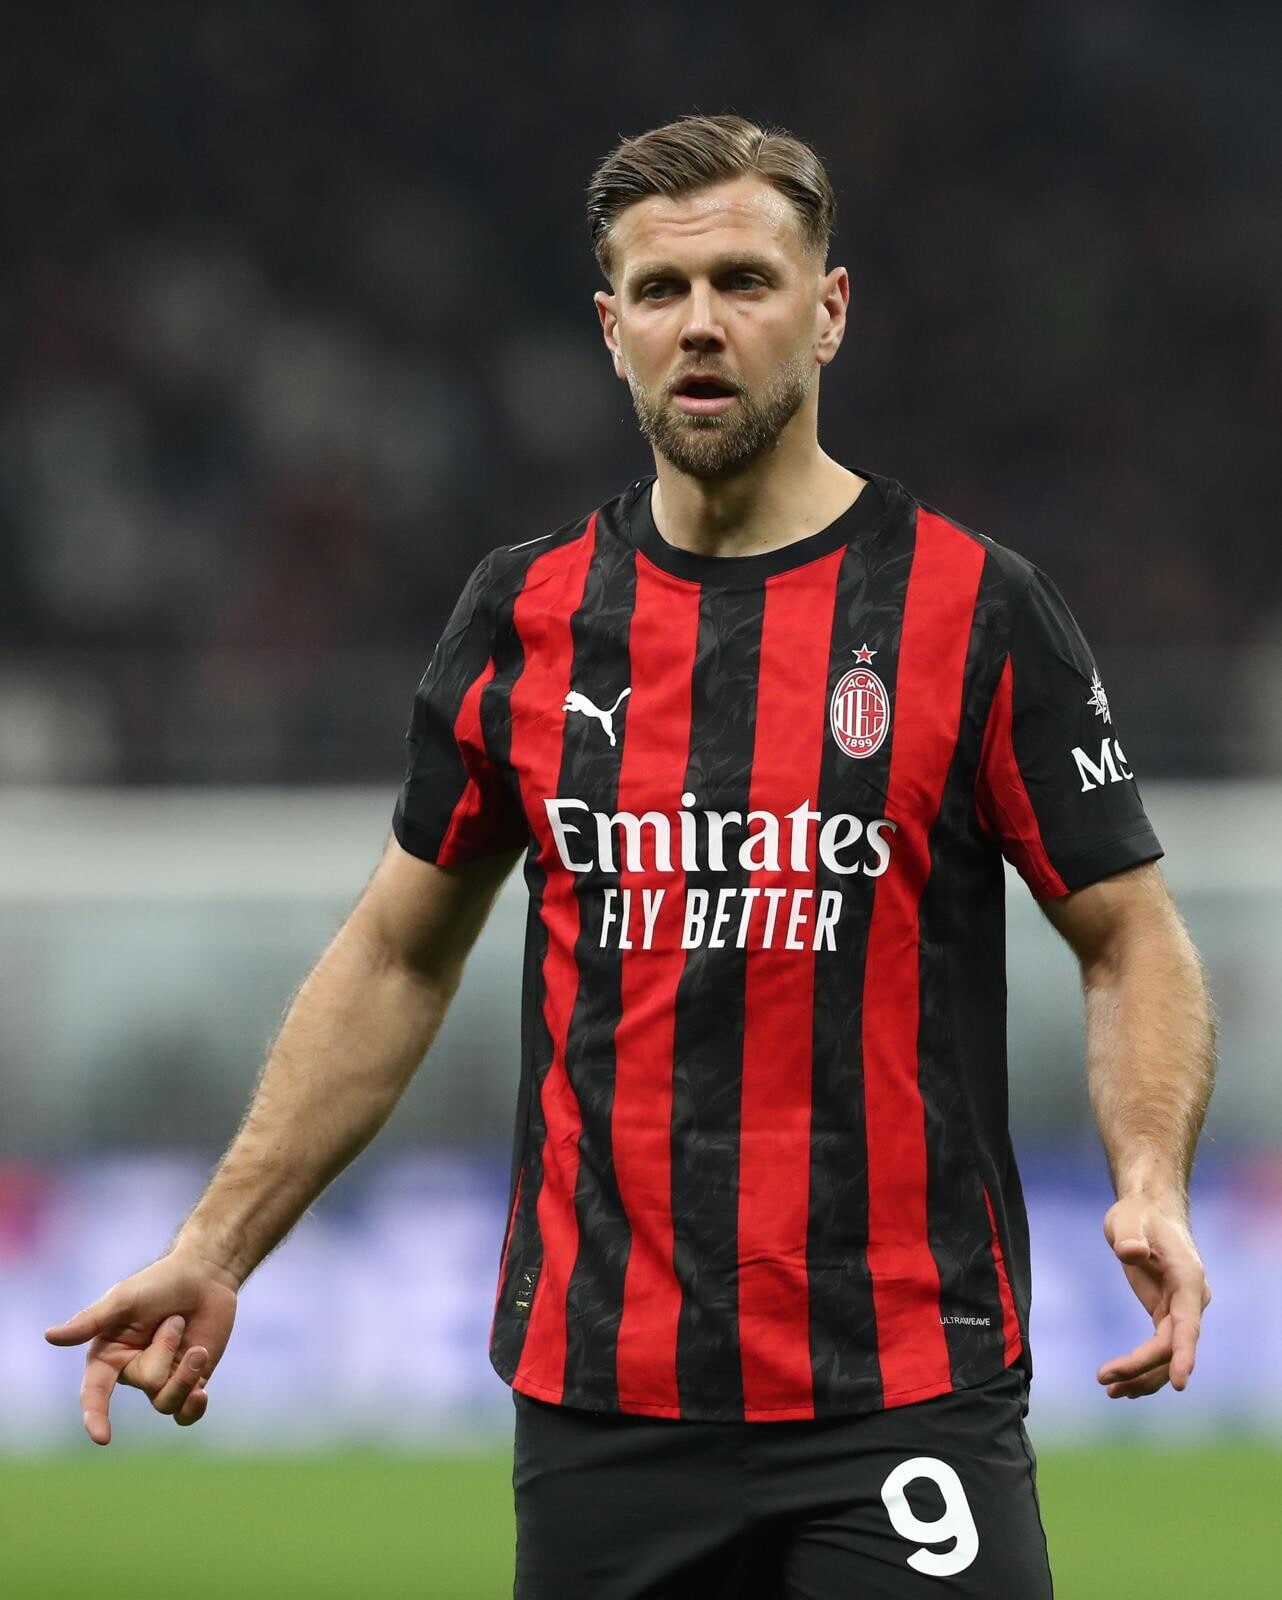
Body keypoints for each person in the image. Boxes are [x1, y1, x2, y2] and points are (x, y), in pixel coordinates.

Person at [46, 115, 1216, 1598]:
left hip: (904, 1381)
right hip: (603, 1399)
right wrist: (218, 1244)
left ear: (829, 310)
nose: (701, 324)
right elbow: (398, 953)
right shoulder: (523, 615)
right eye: (661, 291)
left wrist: (1148, 1179)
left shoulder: (978, 608)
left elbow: (1127, 932)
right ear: (612, 331)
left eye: (744, 280)